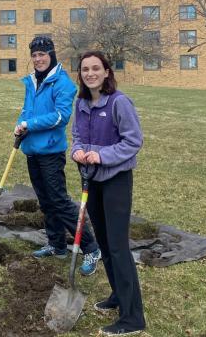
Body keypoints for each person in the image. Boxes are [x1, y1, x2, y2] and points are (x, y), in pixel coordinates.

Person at [71, 51, 146, 336]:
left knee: (118, 246)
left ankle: (133, 318)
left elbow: (133, 140)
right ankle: (118, 295)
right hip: (91, 180)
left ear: (106, 72)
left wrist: (100, 155)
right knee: (103, 242)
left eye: (95, 68)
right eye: (85, 69)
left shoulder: (119, 103)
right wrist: (76, 151)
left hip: (115, 180)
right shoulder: (81, 103)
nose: (90, 73)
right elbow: (77, 136)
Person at [15, 36, 101, 276]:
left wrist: (28, 124)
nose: (38, 59)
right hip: (32, 149)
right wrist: (19, 125)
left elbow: (60, 117)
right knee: (45, 201)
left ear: (51, 55)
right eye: (34, 55)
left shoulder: (62, 84)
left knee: (59, 201)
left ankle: (91, 247)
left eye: (42, 54)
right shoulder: (33, 81)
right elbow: (27, 110)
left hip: (51, 152)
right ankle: (56, 244)